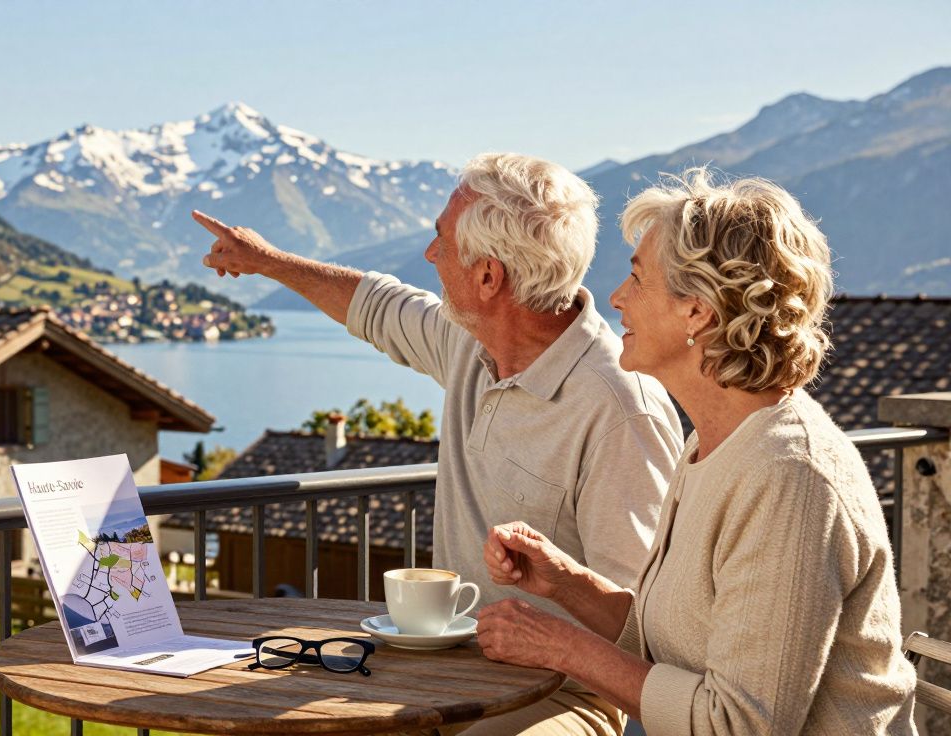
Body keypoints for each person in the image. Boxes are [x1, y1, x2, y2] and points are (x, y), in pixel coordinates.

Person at [194, 153, 683, 733]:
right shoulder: (470, 345)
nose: (430, 255)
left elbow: (644, 628)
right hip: (444, 667)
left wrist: (552, 628)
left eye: (441, 241)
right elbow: (375, 305)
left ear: (487, 276)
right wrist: (267, 262)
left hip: (563, 695)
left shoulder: (621, 412)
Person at [478, 168, 918, 735]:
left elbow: (738, 724)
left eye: (637, 279)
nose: (615, 298)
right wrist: (567, 583)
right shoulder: (713, 445)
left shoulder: (791, 477)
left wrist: (563, 648)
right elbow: (676, 645)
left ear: (698, 311)